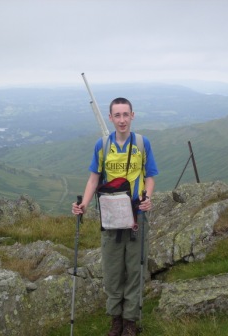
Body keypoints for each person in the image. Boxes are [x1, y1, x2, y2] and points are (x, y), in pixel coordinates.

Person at [72, 97, 158, 336]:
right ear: (110, 118)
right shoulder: (102, 145)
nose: (122, 120)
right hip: (110, 217)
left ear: (133, 115)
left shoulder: (142, 143)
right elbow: (94, 179)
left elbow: (150, 176)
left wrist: (147, 197)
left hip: (136, 215)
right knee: (112, 271)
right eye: (117, 115)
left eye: (125, 114)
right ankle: (116, 320)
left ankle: (130, 321)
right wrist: (84, 205)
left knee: (134, 269)